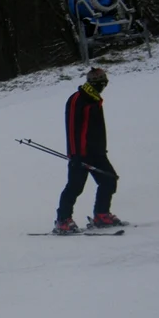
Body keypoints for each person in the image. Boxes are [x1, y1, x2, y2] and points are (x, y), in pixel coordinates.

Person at [54, 67, 125, 234]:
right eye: (101, 84)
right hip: (80, 154)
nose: (103, 87)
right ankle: (63, 220)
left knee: (109, 179)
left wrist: (100, 149)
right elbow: (72, 128)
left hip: (97, 153)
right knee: (75, 186)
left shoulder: (94, 99)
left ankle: (101, 214)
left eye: (105, 84)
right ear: (92, 83)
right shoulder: (78, 100)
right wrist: (75, 155)